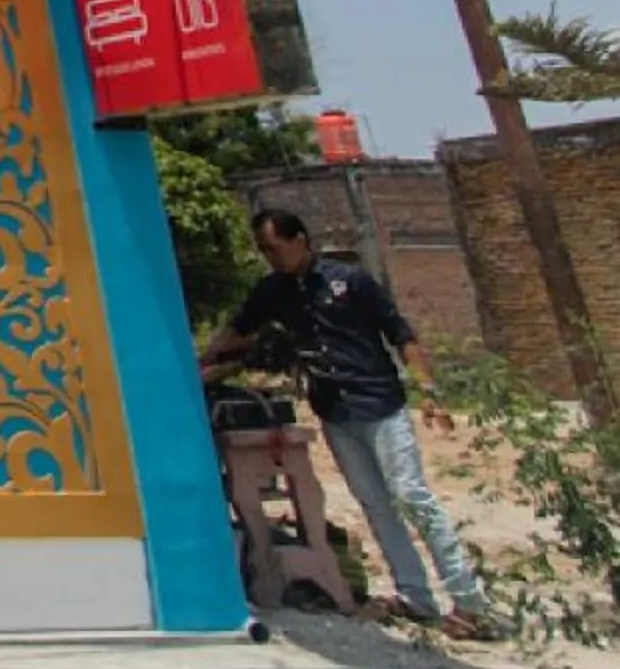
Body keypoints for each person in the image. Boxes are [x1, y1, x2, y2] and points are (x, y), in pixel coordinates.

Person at [201, 206, 498, 637]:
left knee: (411, 496)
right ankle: (415, 594)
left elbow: (400, 334)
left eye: (276, 248)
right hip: (335, 410)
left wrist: (427, 390)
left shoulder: (349, 281)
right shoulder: (275, 291)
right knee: (374, 502)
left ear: (300, 239)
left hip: (378, 402)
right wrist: (202, 360)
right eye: (264, 251)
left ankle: (469, 601)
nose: (271, 258)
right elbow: (239, 330)